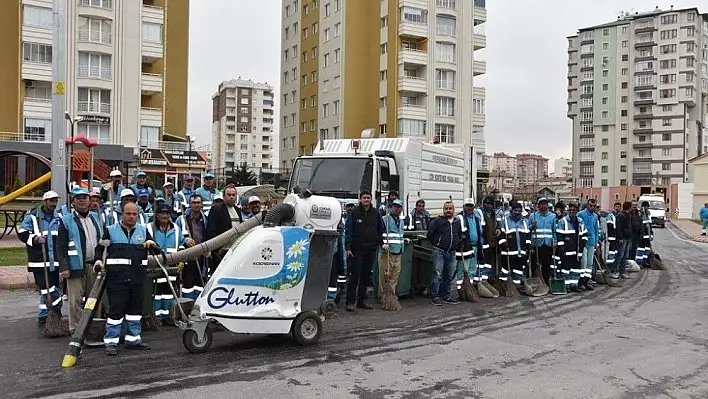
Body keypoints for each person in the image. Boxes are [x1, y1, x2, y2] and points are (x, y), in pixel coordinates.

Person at [94, 202, 153, 355]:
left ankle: (133, 340)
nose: (132, 216)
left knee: (135, 311)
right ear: (122, 214)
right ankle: (111, 342)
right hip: (117, 279)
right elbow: (100, 249)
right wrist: (98, 261)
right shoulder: (111, 231)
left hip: (137, 278)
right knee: (116, 311)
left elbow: (153, 249)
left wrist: (152, 244)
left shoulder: (143, 231)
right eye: (128, 213)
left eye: (134, 214)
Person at [56, 187, 103, 333]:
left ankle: (92, 327)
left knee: (94, 300)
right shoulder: (66, 221)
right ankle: (76, 330)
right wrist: (64, 267)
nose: (82, 200)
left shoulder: (96, 218)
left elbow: (101, 241)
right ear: (72, 202)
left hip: (94, 266)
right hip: (75, 266)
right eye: (78, 198)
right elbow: (61, 246)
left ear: (89, 201)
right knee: (75, 301)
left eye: (84, 197)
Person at [18, 190, 63, 329]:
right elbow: (22, 233)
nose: (53, 204)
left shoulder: (59, 217)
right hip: (38, 261)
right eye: (51, 201)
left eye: (55, 201)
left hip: (54, 261)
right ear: (45, 202)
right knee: (46, 289)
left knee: (52, 287)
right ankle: (57, 309)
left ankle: (44, 316)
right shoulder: (32, 217)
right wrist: (35, 239)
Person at [344, 190, 385, 312]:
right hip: (357, 250)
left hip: (371, 249)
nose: (366, 200)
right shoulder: (354, 213)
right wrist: (348, 248)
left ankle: (362, 301)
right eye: (364, 198)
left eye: (368, 197)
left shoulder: (376, 213)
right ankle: (350, 302)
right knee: (354, 276)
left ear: (371, 199)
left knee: (365, 276)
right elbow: (348, 231)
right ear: (360, 200)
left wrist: (378, 240)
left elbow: (381, 228)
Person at [146, 203, 184, 325]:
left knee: (169, 293)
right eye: (162, 213)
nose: (165, 216)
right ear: (156, 215)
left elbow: (182, 245)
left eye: (167, 213)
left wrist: (182, 260)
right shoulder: (148, 228)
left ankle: (168, 316)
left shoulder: (177, 230)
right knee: (156, 293)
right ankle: (156, 317)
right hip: (155, 266)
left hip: (172, 267)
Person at [426, 201, 463, 306]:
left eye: (450, 208)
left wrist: (457, 244)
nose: (448, 211)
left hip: (451, 252)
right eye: (446, 209)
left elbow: (459, 234)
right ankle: (435, 296)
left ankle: (446, 295)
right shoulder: (437, 221)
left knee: (449, 275)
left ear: (453, 210)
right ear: (443, 210)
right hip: (439, 251)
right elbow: (430, 234)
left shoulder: (457, 222)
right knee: (437, 274)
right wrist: (437, 243)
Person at [205, 186, 243, 276]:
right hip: (221, 252)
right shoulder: (216, 210)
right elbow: (211, 231)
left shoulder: (237, 210)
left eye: (233, 195)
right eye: (229, 195)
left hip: (235, 251)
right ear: (224, 197)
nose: (231, 197)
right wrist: (215, 250)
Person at [379, 199, 408, 311]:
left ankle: (391, 296)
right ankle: (384, 297)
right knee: (385, 276)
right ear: (391, 207)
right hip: (388, 252)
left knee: (394, 277)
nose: (397, 208)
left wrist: (404, 240)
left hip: (398, 252)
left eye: (399, 207)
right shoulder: (384, 219)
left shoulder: (401, 221)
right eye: (395, 206)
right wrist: (383, 244)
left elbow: (398, 235)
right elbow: (380, 234)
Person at [498, 202, 532, 292]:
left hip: (521, 252)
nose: (517, 212)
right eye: (515, 210)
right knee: (505, 271)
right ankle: (504, 286)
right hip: (508, 252)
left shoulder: (525, 222)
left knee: (518, 270)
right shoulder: (505, 220)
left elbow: (527, 236)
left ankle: (516, 287)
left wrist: (528, 246)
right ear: (511, 210)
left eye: (519, 211)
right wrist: (504, 244)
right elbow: (501, 235)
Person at [179, 195, 207, 300]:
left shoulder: (205, 219)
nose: (196, 205)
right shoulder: (182, 219)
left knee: (200, 283)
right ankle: (188, 303)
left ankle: (198, 303)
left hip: (201, 256)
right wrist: (184, 240)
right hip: (188, 257)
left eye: (198, 202)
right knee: (188, 284)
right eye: (194, 203)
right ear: (190, 204)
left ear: (201, 204)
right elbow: (176, 235)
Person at [555, 202, 587, 292]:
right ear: (568, 210)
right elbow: (559, 235)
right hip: (567, 250)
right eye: (570, 210)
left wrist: (583, 243)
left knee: (576, 269)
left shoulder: (580, 221)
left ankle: (574, 285)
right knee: (566, 269)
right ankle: (566, 286)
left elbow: (584, 234)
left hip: (577, 250)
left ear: (577, 211)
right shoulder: (563, 221)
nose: (572, 211)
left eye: (574, 210)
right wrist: (561, 248)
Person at [456, 198, 484, 292]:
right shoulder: (460, 218)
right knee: (463, 269)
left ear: (473, 207)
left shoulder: (476, 218)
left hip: (475, 246)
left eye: (471, 206)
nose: (469, 207)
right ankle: (461, 290)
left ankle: (469, 289)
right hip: (465, 248)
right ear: (464, 206)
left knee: (472, 269)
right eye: (467, 205)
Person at [529, 197, 556, 284]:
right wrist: (532, 226)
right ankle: (535, 281)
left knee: (546, 264)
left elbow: (554, 230)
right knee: (535, 264)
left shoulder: (552, 216)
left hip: (547, 244)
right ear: (538, 205)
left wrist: (555, 241)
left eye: (545, 204)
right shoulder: (532, 216)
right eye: (541, 204)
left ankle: (546, 282)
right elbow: (527, 230)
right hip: (536, 244)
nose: (543, 205)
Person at [577, 198, 601, 290]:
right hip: (583, 242)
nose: (592, 207)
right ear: (587, 205)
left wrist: (596, 244)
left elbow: (596, 230)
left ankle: (587, 281)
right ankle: (581, 282)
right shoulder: (581, 214)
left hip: (591, 242)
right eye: (590, 205)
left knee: (590, 263)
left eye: (594, 206)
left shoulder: (595, 216)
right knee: (584, 262)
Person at [478, 196, 500, 285]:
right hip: (483, 243)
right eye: (487, 204)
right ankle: (478, 282)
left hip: (492, 243)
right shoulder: (479, 213)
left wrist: (498, 228)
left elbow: (499, 224)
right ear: (483, 204)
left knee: (488, 264)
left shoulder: (494, 213)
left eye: (491, 204)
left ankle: (486, 280)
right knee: (480, 264)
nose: (489, 206)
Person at [613, 201, 633, 279]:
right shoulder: (621, 216)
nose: (632, 208)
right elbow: (619, 228)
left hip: (627, 238)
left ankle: (622, 271)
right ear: (629, 207)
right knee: (620, 255)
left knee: (625, 256)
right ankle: (615, 271)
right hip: (622, 239)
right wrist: (620, 238)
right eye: (631, 206)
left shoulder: (628, 215)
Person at [635, 201, 653, 267]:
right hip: (641, 236)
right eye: (645, 206)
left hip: (647, 236)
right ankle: (639, 262)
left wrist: (651, 234)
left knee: (647, 249)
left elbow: (650, 226)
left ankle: (644, 261)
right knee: (641, 249)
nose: (646, 208)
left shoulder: (648, 214)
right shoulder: (639, 214)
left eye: (647, 207)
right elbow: (638, 225)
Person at [606, 202, 621, 268]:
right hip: (612, 236)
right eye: (616, 206)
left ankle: (615, 264)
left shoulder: (619, 215)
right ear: (614, 207)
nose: (617, 208)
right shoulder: (610, 215)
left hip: (617, 236)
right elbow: (609, 225)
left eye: (618, 207)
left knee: (616, 251)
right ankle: (610, 265)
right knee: (611, 251)